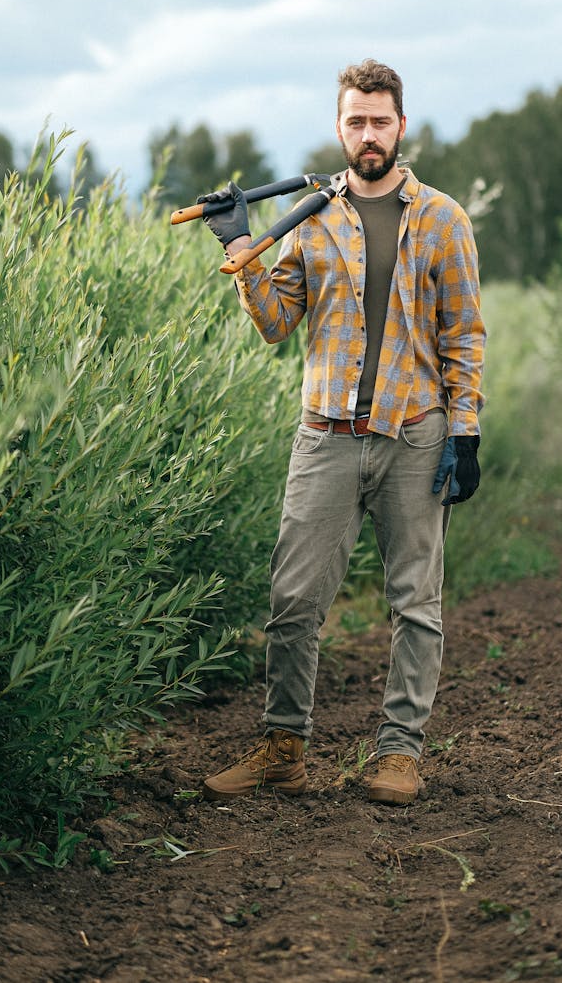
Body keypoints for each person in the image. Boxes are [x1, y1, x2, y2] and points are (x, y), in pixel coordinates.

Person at [200, 59, 485, 805]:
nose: (368, 134)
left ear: (400, 126)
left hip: (414, 436)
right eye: (355, 120)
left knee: (414, 603)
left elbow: (465, 336)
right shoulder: (312, 220)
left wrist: (467, 433)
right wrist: (239, 247)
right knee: (293, 599)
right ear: (339, 126)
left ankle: (399, 755)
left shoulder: (445, 220)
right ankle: (283, 747)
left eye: (380, 121)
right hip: (324, 436)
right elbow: (274, 323)